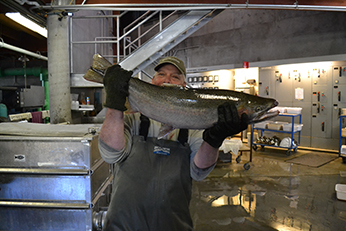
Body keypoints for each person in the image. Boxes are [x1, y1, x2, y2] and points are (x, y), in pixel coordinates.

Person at [98, 56, 249, 231]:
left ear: (184, 87)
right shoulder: (132, 117)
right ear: (152, 81)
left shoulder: (194, 126)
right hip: (122, 225)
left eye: (175, 77)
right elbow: (110, 154)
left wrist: (214, 141)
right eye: (161, 74)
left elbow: (199, 172)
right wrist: (114, 105)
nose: (167, 79)